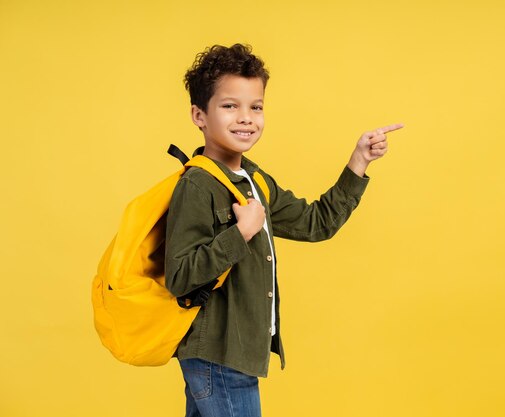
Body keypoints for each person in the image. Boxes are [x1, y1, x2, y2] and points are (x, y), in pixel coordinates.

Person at [164, 43, 403, 417]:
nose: (246, 118)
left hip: (232, 354)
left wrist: (359, 162)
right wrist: (239, 235)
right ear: (199, 115)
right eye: (230, 106)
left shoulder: (255, 179)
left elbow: (316, 223)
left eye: (255, 107)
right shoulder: (197, 185)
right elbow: (178, 277)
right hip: (220, 356)